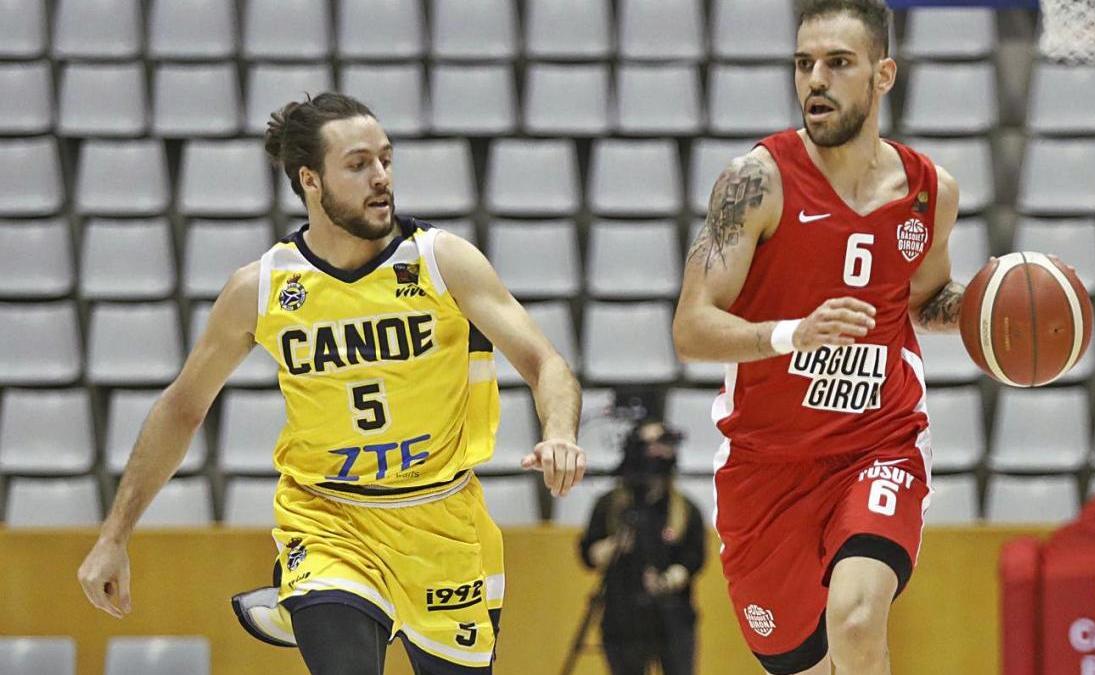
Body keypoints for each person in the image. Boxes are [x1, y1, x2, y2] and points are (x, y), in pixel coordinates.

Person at [77, 92, 587, 675]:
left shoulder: (442, 262)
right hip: (327, 519)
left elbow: (546, 362)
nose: (381, 178)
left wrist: (560, 432)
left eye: (386, 160)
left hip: (442, 519)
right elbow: (182, 407)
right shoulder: (262, 288)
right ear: (310, 180)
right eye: (358, 164)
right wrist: (114, 535)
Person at [672, 1, 963, 674]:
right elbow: (691, 326)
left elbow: (927, 299)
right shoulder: (755, 181)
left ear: (883, 74)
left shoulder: (929, 191)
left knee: (858, 618)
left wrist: (986, 314)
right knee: (804, 661)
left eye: (838, 63)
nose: (816, 80)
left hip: (877, 442)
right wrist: (789, 334)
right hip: (767, 467)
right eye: (804, 64)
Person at [578, 417, 705, 675]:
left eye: (665, 443)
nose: (660, 452)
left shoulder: (684, 509)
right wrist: (615, 545)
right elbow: (588, 553)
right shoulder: (611, 505)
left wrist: (668, 580)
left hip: (673, 617)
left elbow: (694, 558)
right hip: (622, 618)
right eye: (652, 443)